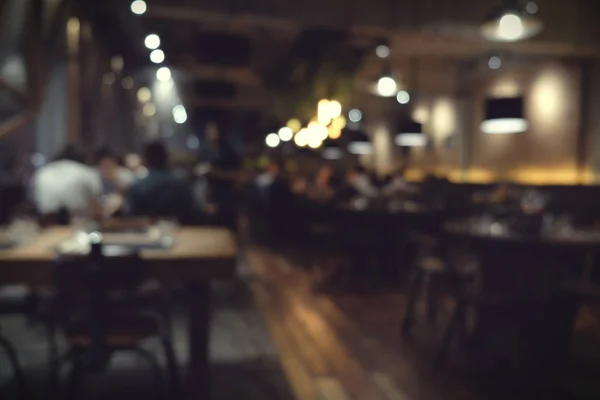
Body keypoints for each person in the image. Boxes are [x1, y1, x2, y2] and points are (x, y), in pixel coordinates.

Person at [128, 140, 201, 224]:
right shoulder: (182, 182)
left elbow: (132, 217)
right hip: (181, 233)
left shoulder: (138, 185)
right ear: (166, 157)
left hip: (148, 234)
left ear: (146, 160)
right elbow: (195, 213)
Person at [32, 145, 102, 224]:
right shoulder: (86, 172)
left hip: (46, 223)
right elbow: (95, 206)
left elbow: (34, 199)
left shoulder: (42, 172)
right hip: (77, 222)